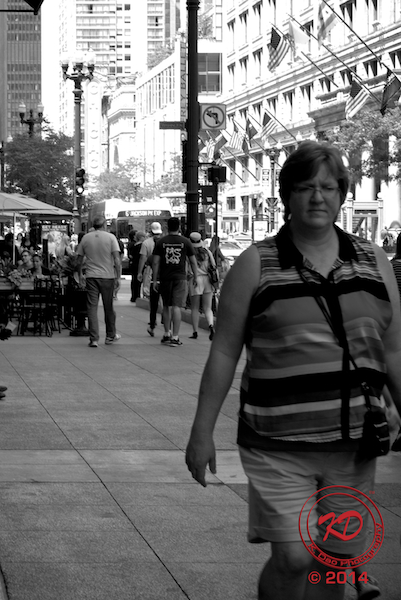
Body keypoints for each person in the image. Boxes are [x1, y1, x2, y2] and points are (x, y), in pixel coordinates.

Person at [186, 141, 401, 600]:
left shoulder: (374, 261)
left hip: (354, 443)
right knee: (294, 557)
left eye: (328, 187)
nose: (317, 197)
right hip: (276, 443)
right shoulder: (255, 264)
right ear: (286, 196)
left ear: (342, 194)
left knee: (334, 561)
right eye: (305, 187)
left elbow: (394, 349)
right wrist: (201, 433)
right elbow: (223, 352)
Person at [150, 217, 198, 347]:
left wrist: (155, 279)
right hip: (180, 277)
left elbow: (155, 262)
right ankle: (175, 337)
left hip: (165, 278)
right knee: (177, 307)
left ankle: (167, 333)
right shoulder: (185, 242)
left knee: (166, 305)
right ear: (179, 227)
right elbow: (193, 262)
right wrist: (196, 277)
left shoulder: (161, 242)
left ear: (167, 227)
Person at [76, 216, 122, 347]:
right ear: (105, 225)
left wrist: (80, 275)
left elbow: (79, 260)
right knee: (109, 307)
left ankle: (94, 338)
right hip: (108, 276)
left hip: (91, 276)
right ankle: (110, 335)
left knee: (92, 307)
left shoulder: (86, 238)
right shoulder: (111, 238)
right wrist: (118, 277)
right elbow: (117, 259)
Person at [187, 232, 216, 341]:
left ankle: (195, 331)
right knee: (207, 307)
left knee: (194, 307)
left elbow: (186, 269)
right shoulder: (207, 252)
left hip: (195, 279)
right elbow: (213, 266)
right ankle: (211, 325)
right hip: (207, 279)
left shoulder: (189, 253)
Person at [137, 222, 163, 335]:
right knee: (165, 300)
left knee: (153, 300)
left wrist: (139, 272)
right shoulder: (165, 242)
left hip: (151, 273)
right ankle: (165, 318)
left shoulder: (146, 243)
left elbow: (142, 258)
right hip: (165, 275)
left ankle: (153, 323)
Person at [127, 231, 145, 302]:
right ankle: (137, 296)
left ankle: (134, 296)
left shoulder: (133, 245)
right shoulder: (141, 246)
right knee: (139, 281)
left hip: (134, 264)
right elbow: (142, 257)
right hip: (139, 265)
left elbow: (131, 255)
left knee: (134, 281)